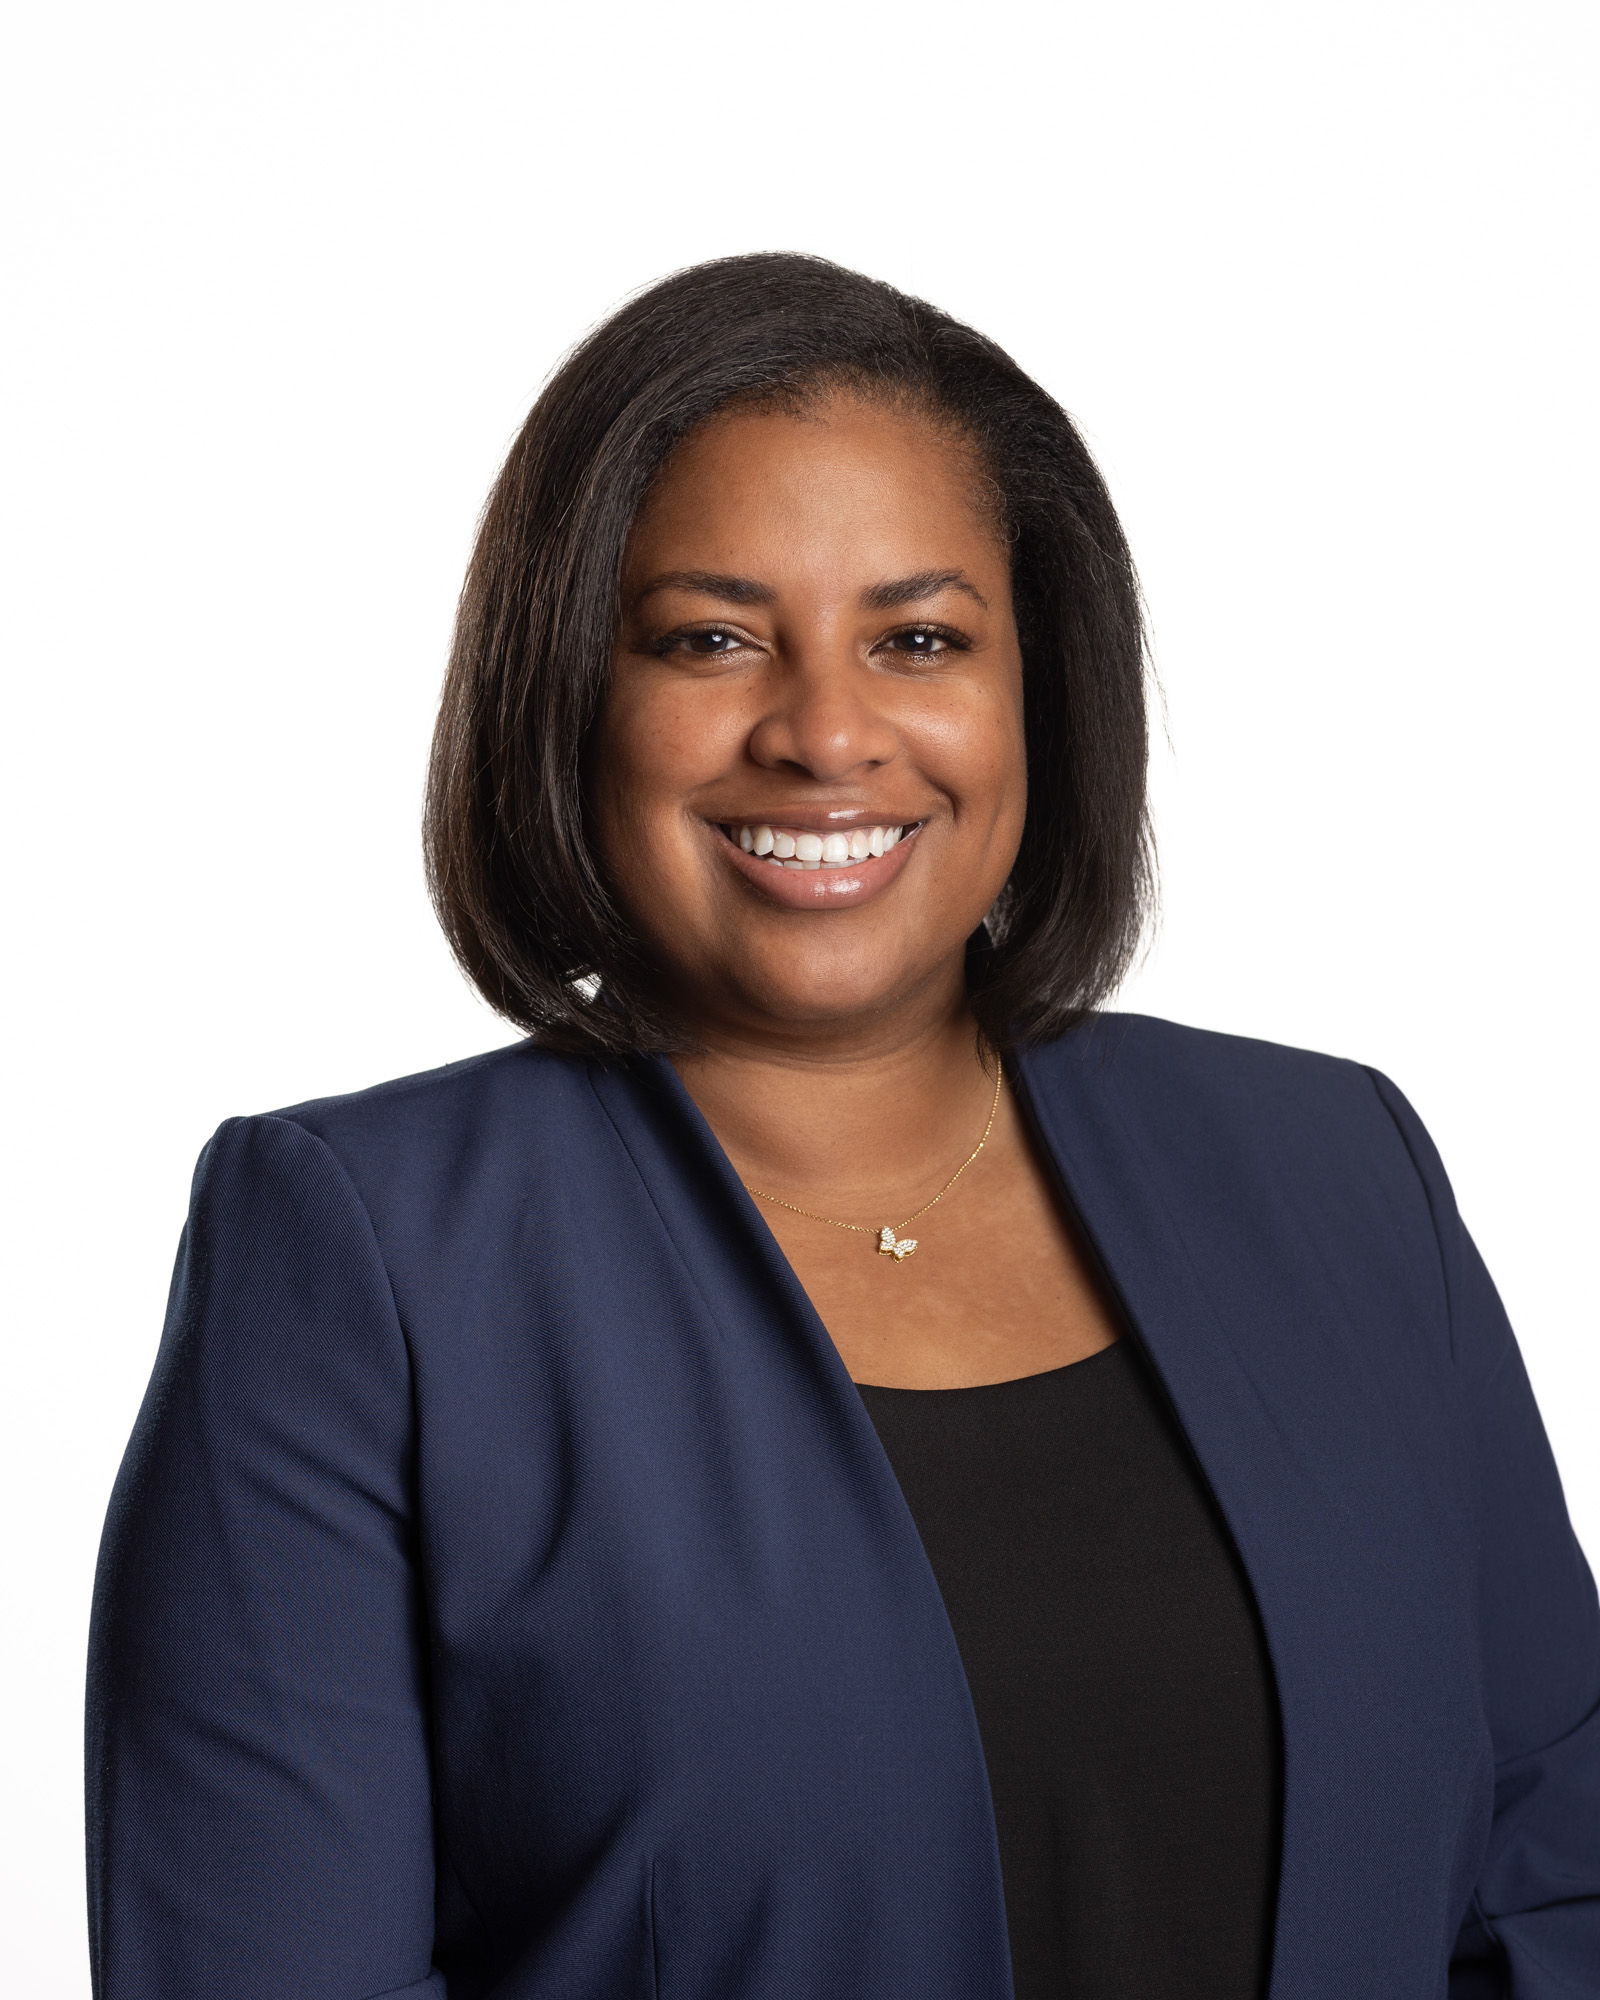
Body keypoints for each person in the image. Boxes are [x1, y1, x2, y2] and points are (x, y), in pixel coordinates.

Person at [86, 253, 1598, 2000]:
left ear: (1040, 688)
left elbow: (1552, 1880)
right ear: (569, 689)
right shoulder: (362, 1255)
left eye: (920, 637)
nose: (823, 732)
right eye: (712, 638)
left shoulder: (1334, 1169)